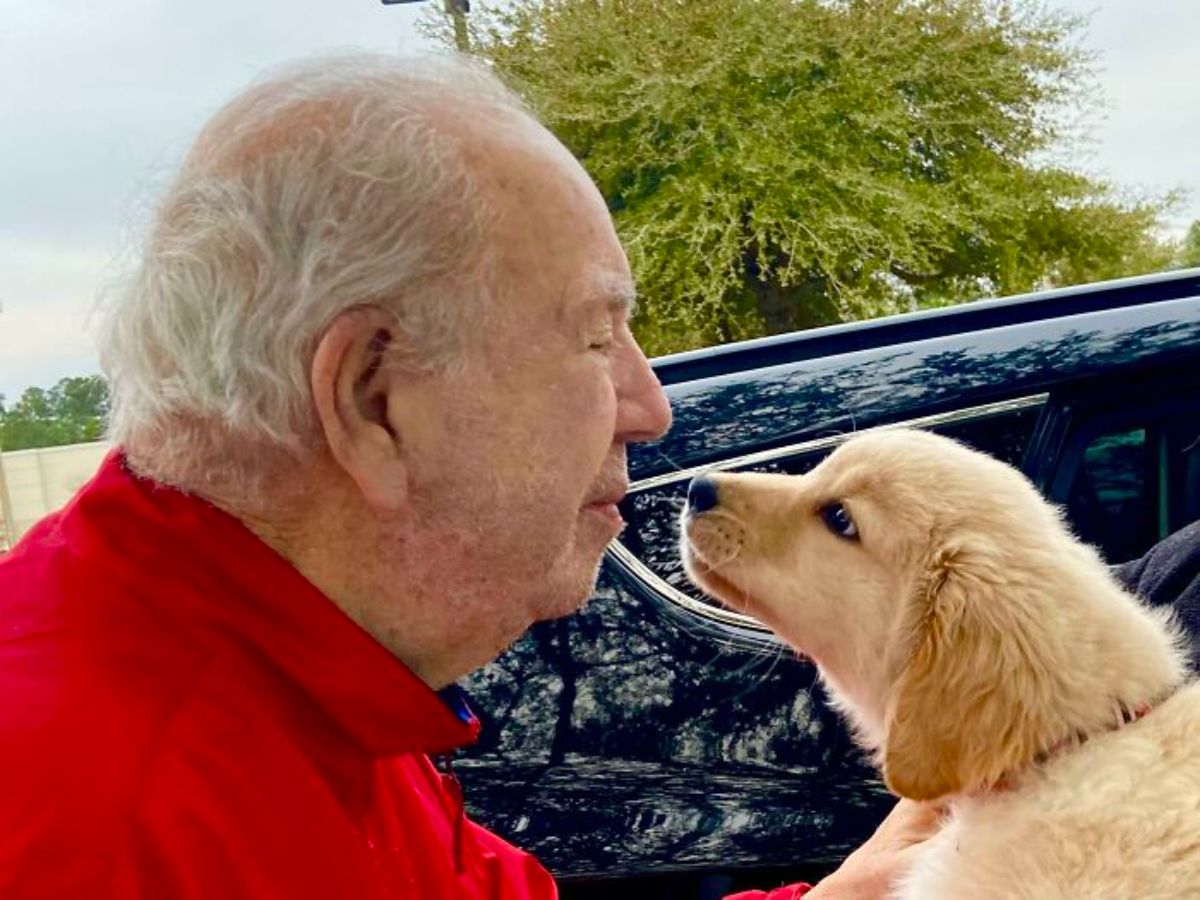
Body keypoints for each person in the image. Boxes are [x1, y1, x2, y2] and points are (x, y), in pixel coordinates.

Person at [0, 52, 934, 898]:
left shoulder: (301, 670)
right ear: (374, 399)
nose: (651, 408)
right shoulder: (113, 830)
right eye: (597, 336)